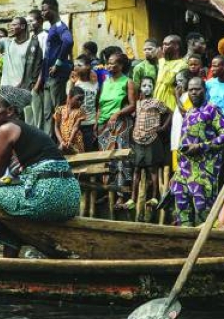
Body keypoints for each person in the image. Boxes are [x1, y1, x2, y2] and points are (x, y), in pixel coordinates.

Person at [0, 86, 81, 257]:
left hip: (48, 194)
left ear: (10, 111)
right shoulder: (25, 129)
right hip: (71, 197)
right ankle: (10, 264)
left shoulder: (6, 129)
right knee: (9, 211)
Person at [170, 77, 224, 227]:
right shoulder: (190, 112)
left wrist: (201, 146)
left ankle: (210, 245)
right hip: (184, 170)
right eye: (190, 90)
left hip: (204, 171)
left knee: (202, 210)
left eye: (197, 89)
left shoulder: (212, 109)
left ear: (205, 90)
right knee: (182, 209)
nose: (193, 92)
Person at [96, 51, 136, 208]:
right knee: (106, 159)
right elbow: (100, 104)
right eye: (109, 63)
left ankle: (121, 195)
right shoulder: (105, 81)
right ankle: (108, 192)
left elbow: (133, 105)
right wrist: (97, 121)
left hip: (121, 123)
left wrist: (117, 113)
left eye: (114, 63)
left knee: (121, 158)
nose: (110, 66)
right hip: (104, 125)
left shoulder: (128, 82)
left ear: (121, 65)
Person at [130, 78, 170, 209]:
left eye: (149, 85)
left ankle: (154, 197)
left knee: (152, 169)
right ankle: (132, 198)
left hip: (152, 138)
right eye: (144, 85)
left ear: (153, 87)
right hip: (137, 138)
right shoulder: (138, 103)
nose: (146, 88)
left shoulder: (157, 102)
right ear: (140, 87)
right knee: (136, 168)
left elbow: (170, 113)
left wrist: (163, 127)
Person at [37, 0, 74, 132]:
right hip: (48, 77)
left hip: (56, 76)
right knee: (48, 113)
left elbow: (68, 42)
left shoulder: (60, 26)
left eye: (44, 10)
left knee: (58, 110)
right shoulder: (52, 27)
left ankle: (62, 142)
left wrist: (58, 63)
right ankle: (49, 143)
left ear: (53, 10)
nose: (42, 13)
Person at [68, 56, 99, 151]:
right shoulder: (74, 83)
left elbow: (98, 105)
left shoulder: (95, 83)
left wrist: (96, 123)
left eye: (79, 65)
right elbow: (69, 104)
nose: (76, 67)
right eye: (75, 65)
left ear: (88, 66)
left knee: (91, 151)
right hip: (77, 124)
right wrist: (72, 84)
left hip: (91, 123)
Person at [154, 35, 187, 111]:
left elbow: (167, 80)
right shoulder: (164, 62)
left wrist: (161, 59)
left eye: (167, 44)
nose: (163, 47)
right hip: (157, 104)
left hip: (170, 106)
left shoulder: (182, 64)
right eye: (163, 44)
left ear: (176, 46)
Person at [53, 89, 87, 154]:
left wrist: (70, 142)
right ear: (70, 97)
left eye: (82, 100)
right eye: (78, 99)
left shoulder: (80, 112)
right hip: (63, 142)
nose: (80, 102)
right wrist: (61, 141)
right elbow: (56, 127)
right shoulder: (60, 110)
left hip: (76, 142)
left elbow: (75, 128)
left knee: (78, 160)